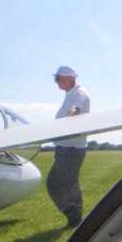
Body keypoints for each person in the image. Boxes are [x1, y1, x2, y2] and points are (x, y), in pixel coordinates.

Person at [46, 66, 91, 227]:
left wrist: (67, 121)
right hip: (65, 147)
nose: (56, 82)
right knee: (60, 182)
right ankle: (74, 215)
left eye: (58, 78)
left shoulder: (80, 93)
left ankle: (75, 217)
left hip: (72, 148)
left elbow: (76, 109)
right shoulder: (70, 94)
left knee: (62, 183)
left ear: (69, 79)